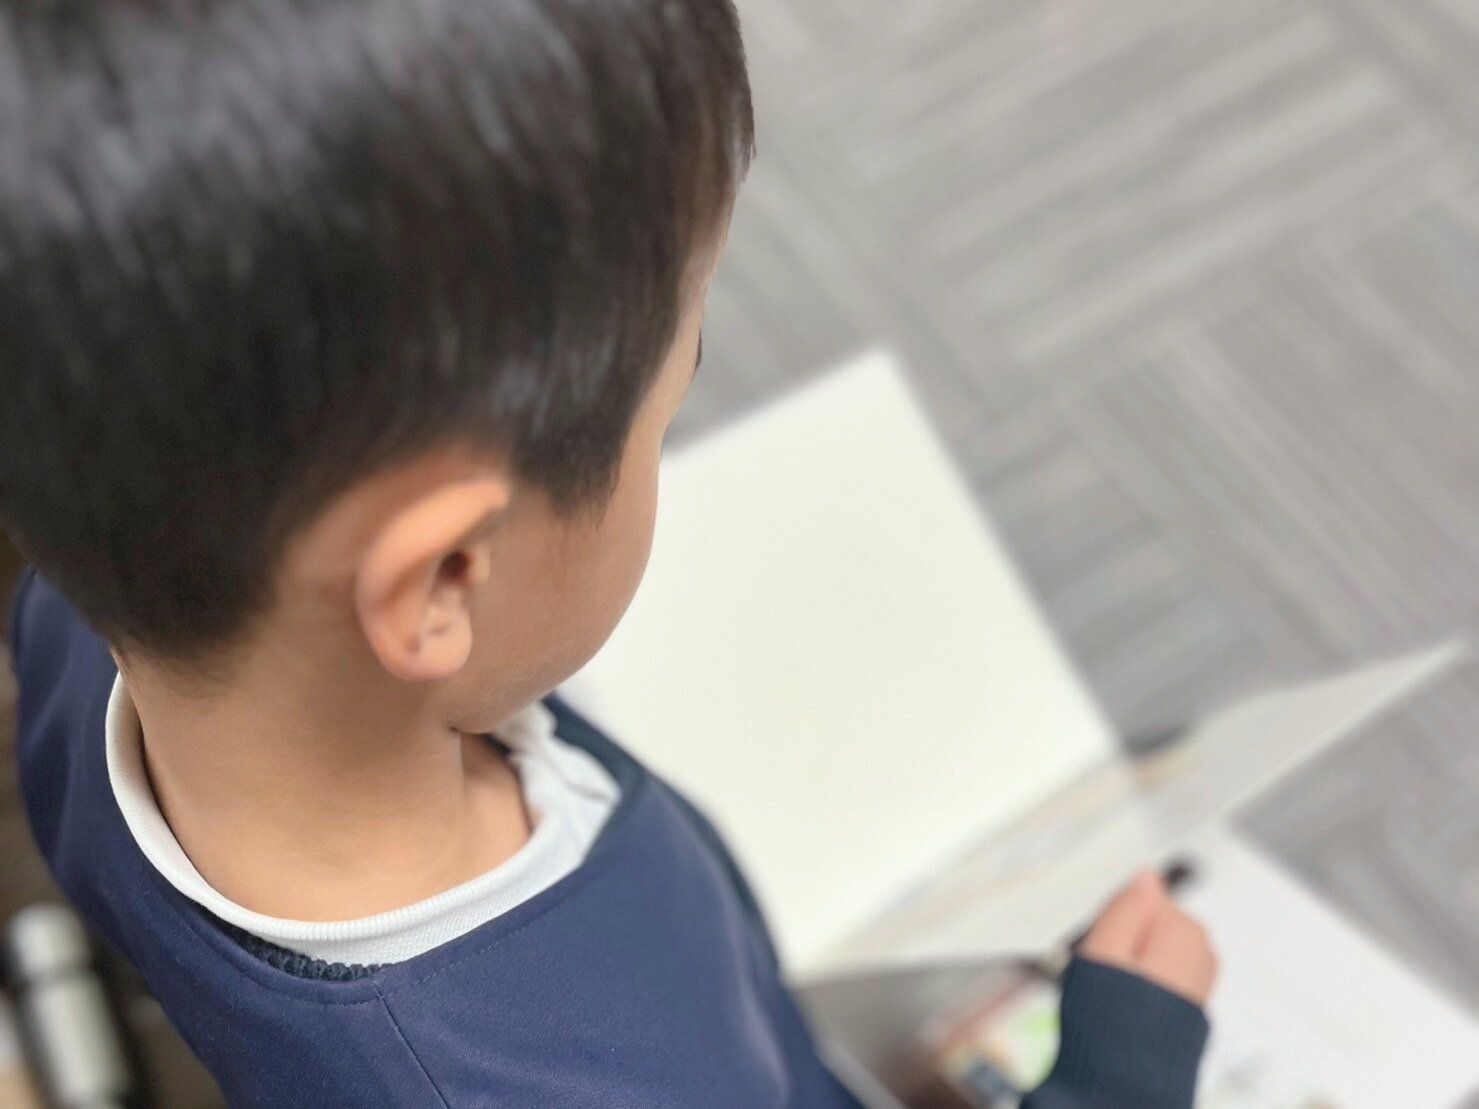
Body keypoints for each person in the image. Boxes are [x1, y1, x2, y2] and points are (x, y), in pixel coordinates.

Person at [1, 0, 1216, 1103]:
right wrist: (1117, 1077)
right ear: (444, 580)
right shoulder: (609, 1079)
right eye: (668, 403)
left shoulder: (83, 603)